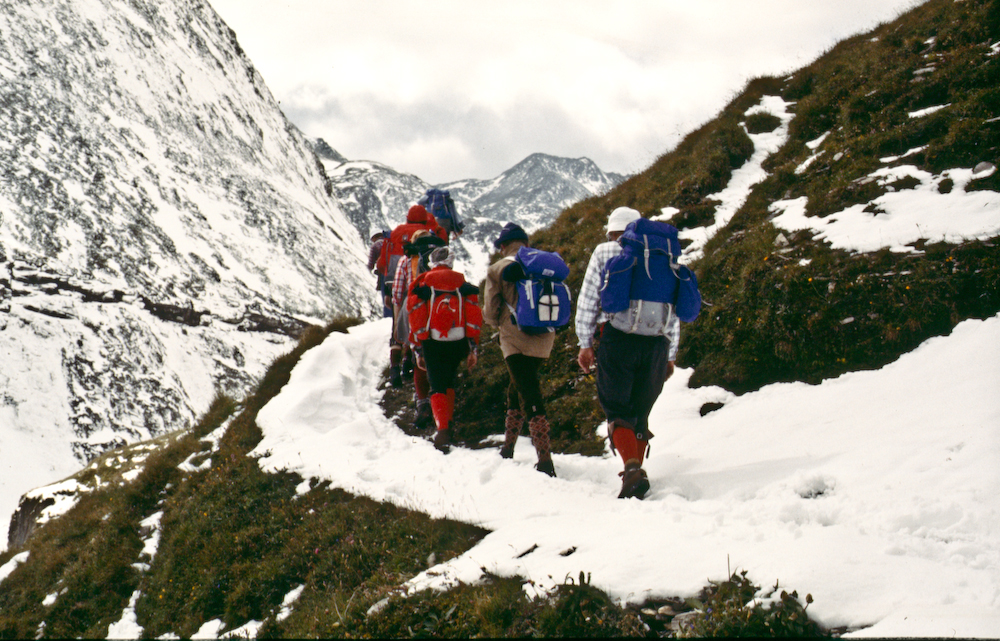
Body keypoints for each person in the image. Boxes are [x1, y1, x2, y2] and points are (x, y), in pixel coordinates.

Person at [575, 207, 680, 499]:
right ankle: (634, 475)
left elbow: (589, 300)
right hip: (657, 343)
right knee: (641, 411)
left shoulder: (605, 251)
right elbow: (674, 308)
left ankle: (632, 470)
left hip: (619, 340)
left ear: (612, 231)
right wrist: (670, 353)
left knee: (618, 409)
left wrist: (585, 342)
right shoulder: (663, 254)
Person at [483, 222, 557, 477]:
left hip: (514, 338)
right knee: (517, 387)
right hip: (544, 337)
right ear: (525, 243)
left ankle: (545, 459)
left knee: (529, 392)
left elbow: (491, 312)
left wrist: (498, 322)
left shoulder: (497, 269)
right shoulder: (541, 264)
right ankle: (508, 448)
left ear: (503, 246)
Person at [407, 246, 481, 453]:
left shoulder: (422, 282)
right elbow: (473, 315)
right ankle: (448, 424)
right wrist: (472, 348)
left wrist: (417, 348)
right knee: (449, 380)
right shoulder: (461, 283)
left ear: (431, 262)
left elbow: (414, 314)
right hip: (458, 340)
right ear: (451, 261)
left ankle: (443, 430)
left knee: (437, 383)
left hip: (432, 340)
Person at [382, 205, 447, 387]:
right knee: (420, 333)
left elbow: (387, 263)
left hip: (402, 293)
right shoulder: (432, 240)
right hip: (428, 299)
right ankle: (411, 363)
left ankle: (395, 367)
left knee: (399, 329)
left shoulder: (398, 236)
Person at [392, 230, 446, 430]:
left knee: (419, 355)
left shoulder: (407, 260)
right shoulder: (441, 255)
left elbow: (398, 292)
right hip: (440, 306)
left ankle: (422, 403)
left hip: (414, 307)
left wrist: (399, 314)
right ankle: (443, 404)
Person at [367, 230, 391, 318]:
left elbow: (371, 264)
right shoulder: (390, 242)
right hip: (394, 270)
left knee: (385, 294)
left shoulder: (374, 246)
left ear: (373, 237)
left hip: (383, 273)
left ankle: (388, 316)